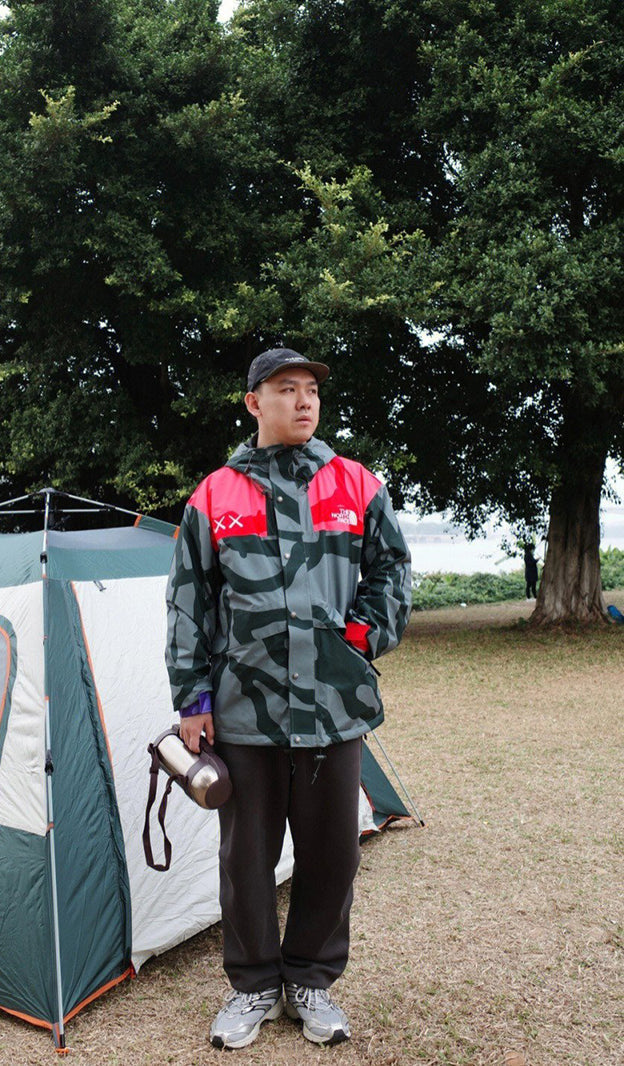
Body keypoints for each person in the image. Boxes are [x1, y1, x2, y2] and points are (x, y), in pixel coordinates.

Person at [165, 348, 412, 1050]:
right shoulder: (214, 494)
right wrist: (193, 698)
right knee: (246, 859)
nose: (304, 401)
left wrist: (359, 638)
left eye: (311, 391)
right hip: (244, 710)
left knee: (333, 853)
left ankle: (311, 979)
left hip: (333, 708)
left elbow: (392, 567)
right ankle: (251, 988)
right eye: (286, 390)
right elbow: (188, 603)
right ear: (253, 403)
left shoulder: (355, 482)